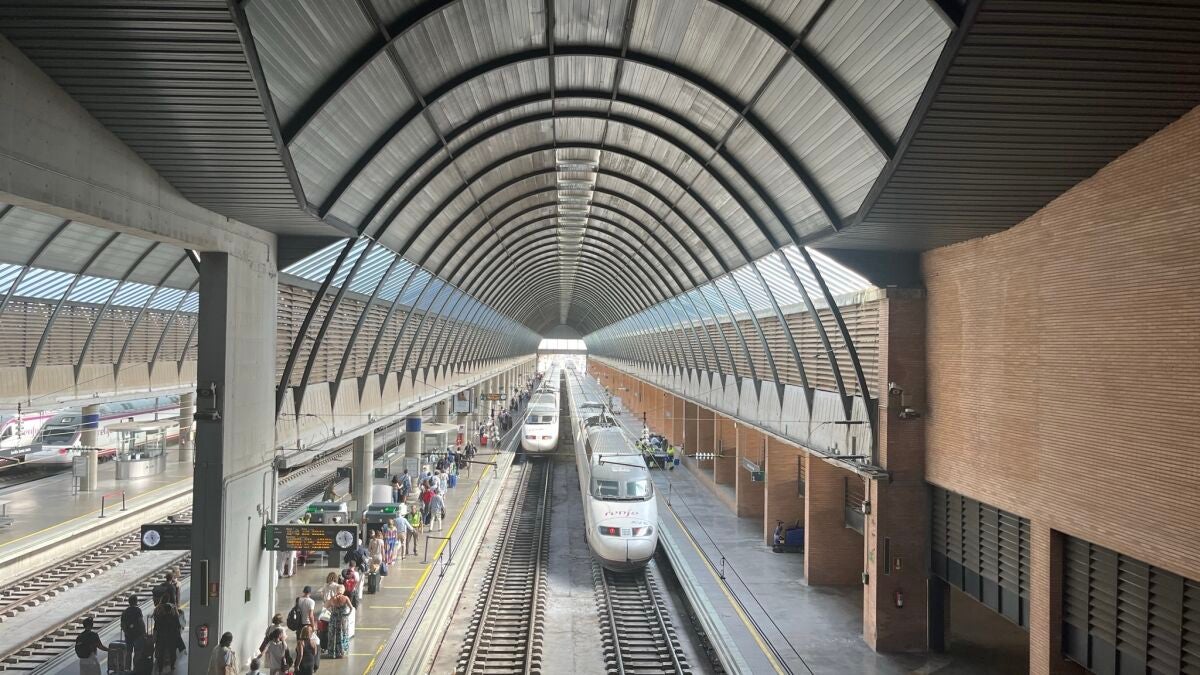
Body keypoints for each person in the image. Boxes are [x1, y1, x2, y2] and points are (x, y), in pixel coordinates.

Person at [152, 600, 181, 673]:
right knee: (172, 652)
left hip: (161, 638)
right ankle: (172, 666)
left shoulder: (159, 618)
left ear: (164, 610)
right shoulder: (174, 618)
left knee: (161, 653)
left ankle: (160, 668)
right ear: (170, 610)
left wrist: (154, 639)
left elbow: (155, 629)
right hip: (172, 638)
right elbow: (178, 627)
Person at [323, 587, 351, 658]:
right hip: (343, 619)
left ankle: (332, 652)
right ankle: (341, 652)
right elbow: (351, 608)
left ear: (336, 591)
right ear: (343, 591)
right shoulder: (346, 598)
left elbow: (325, 606)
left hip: (334, 619)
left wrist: (331, 611)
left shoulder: (333, 599)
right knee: (342, 634)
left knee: (333, 635)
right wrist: (347, 614)